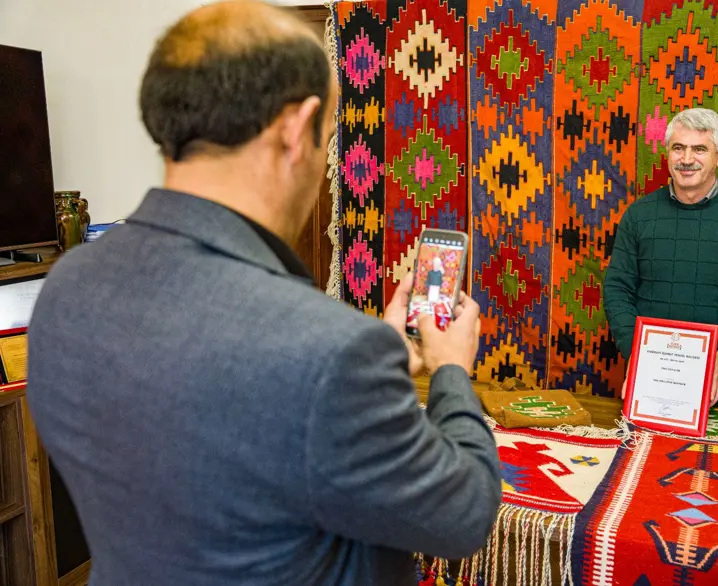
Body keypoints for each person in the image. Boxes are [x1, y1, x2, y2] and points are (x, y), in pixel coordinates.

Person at [26, 3, 501, 585]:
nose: (326, 160)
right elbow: (463, 516)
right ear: (296, 129)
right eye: (328, 138)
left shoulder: (65, 290)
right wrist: (451, 368)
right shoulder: (326, 351)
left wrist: (371, 365)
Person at [604, 108, 718, 409]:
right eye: (678, 148)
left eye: (700, 149)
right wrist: (635, 351)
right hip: (648, 373)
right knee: (637, 456)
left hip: (717, 377)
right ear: (668, 153)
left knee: (711, 457)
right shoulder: (638, 216)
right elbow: (617, 289)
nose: (686, 159)